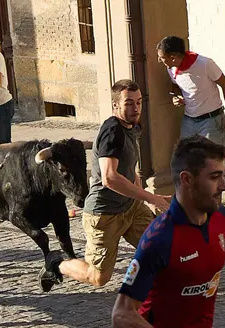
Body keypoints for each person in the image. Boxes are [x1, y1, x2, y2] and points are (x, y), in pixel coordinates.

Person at [94, 136, 225, 328]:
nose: (224, 186)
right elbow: (121, 316)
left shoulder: (221, 218)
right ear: (187, 179)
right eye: (215, 177)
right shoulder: (159, 239)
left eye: (223, 175)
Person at [40, 80, 170, 290]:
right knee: (98, 277)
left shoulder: (133, 126)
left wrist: (143, 197)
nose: (135, 108)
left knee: (161, 249)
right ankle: (56, 264)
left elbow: (129, 168)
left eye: (139, 102)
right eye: (129, 103)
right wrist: (151, 197)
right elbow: (110, 177)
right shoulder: (113, 131)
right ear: (116, 105)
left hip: (131, 208)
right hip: (104, 214)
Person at [156, 36, 225, 179]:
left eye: (162, 57)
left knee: (214, 163)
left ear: (173, 57)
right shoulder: (171, 68)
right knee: (186, 160)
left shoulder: (205, 64)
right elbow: (177, 86)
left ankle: (216, 200)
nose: (159, 60)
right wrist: (176, 96)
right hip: (189, 120)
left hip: (212, 120)